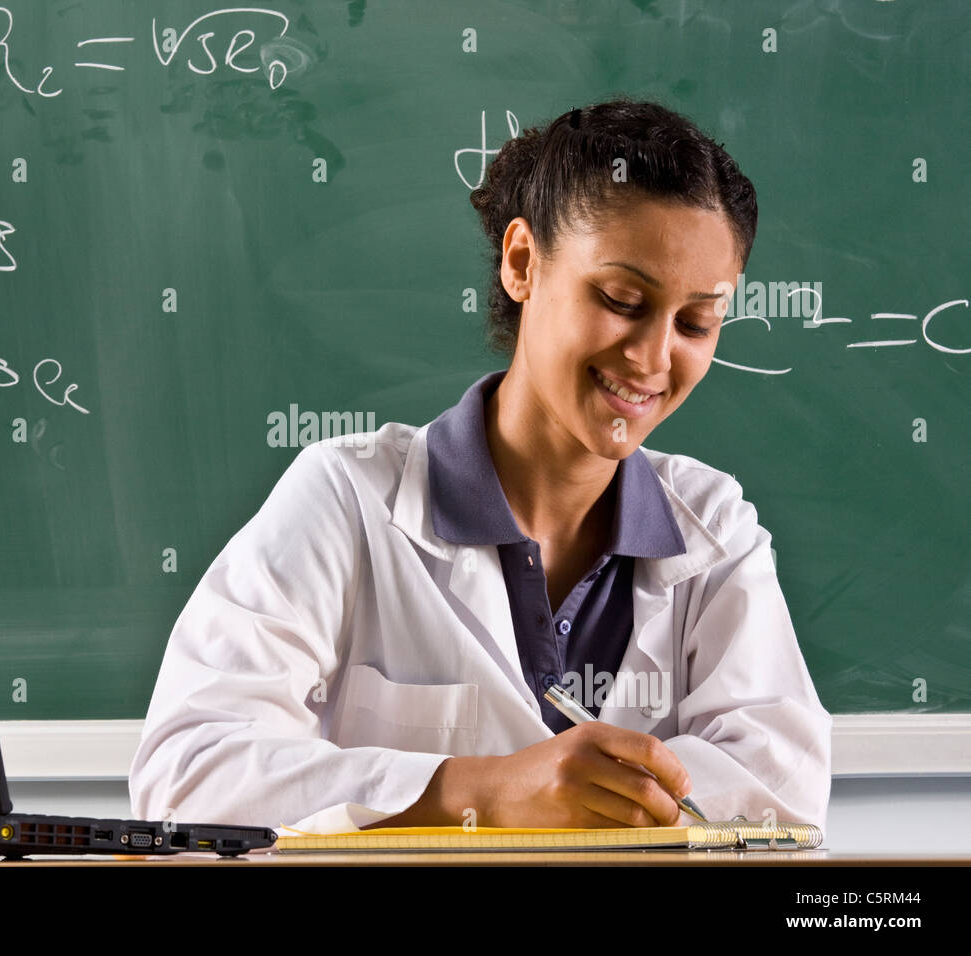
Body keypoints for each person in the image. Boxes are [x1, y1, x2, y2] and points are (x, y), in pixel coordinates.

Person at [129, 99, 832, 834]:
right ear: (523, 262)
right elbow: (187, 773)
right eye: (622, 300)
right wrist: (486, 790)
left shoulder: (713, 527)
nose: (654, 359)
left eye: (696, 323)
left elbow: (783, 783)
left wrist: (597, 799)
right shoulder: (348, 497)